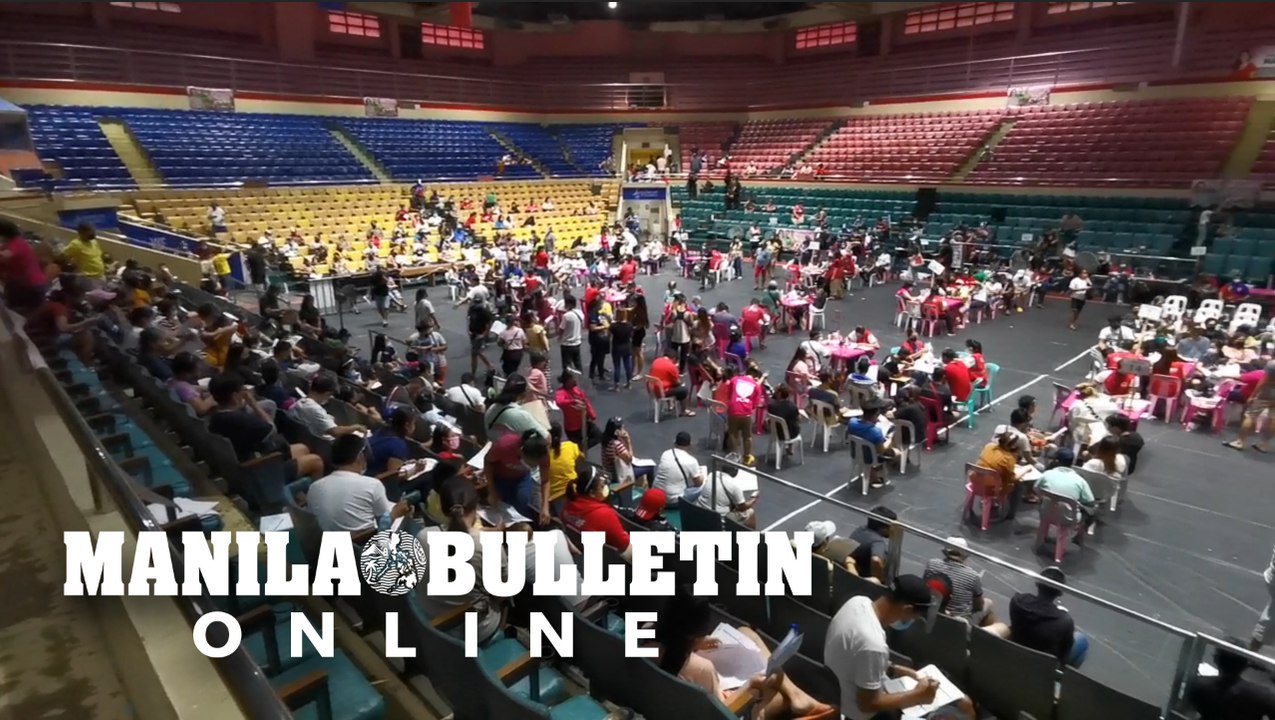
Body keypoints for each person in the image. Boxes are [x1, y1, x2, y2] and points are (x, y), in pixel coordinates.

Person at [658, 587, 836, 719]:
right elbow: (720, 713)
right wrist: (751, 684)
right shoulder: (702, 668)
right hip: (720, 707)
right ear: (692, 633)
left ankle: (793, 693)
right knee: (776, 696)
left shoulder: (649, 636)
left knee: (746, 631)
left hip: (679, 694)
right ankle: (791, 697)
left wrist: (696, 644)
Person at [825, 575, 974, 720]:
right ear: (907, 609)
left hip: (835, 694)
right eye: (915, 617)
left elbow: (855, 656)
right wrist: (918, 696)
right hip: (859, 714)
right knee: (965, 707)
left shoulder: (856, 602)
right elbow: (868, 705)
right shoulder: (873, 644)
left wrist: (893, 669)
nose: (913, 620)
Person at [206, 373, 324, 488]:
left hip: (247, 460)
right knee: (316, 461)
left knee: (302, 448)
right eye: (242, 390)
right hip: (258, 470)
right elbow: (272, 428)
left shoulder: (215, 416)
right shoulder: (242, 420)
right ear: (235, 396)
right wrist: (253, 403)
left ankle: (294, 493)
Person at [306, 434, 410, 533]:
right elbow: (383, 524)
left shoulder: (314, 487)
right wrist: (396, 513)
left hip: (328, 543)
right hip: (362, 542)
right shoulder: (372, 485)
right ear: (359, 457)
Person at [1000, 566, 1090, 668]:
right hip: (1040, 666)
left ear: (1037, 583)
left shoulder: (1017, 600)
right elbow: (1064, 653)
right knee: (1081, 639)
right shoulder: (1065, 621)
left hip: (1016, 653)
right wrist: (1062, 615)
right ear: (1060, 593)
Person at [1188, 638, 1275, 720]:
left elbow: (1190, 710)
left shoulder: (1198, 685)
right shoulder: (1263, 695)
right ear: (1245, 664)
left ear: (1215, 659)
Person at [560, 463, 631, 558]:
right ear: (592, 493)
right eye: (602, 486)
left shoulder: (568, 504)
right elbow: (623, 544)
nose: (605, 487)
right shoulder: (605, 514)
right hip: (611, 557)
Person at [484, 427, 552, 524]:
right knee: (497, 505)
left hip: (522, 478)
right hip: (499, 476)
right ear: (521, 451)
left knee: (524, 504)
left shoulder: (543, 454)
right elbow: (488, 461)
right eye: (530, 463)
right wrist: (491, 490)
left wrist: (545, 506)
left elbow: (545, 480)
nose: (533, 466)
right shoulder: (503, 446)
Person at [923, 537, 995, 627]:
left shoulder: (931, 564)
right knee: (988, 603)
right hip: (957, 621)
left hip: (930, 610)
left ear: (945, 551)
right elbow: (978, 606)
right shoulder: (972, 576)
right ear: (965, 555)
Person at [1036, 448, 1098, 535]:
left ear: (1056, 461)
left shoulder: (1047, 474)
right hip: (1069, 518)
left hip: (1045, 513)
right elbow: (1090, 502)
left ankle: (1042, 536)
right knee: (1092, 512)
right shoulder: (1080, 481)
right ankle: (1079, 536)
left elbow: (1036, 488)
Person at [291, 373, 367, 439]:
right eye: (330, 395)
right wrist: (356, 427)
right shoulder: (314, 409)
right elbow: (335, 432)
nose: (331, 397)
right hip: (326, 443)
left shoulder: (300, 402)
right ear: (327, 393)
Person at [1225, 359, 1275, 453]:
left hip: (1265, 393)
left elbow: (1263, 380)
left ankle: (1240, 442)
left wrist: (1253, 395)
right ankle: (1264, 445)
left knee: (1251, 416)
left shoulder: (1272, 364)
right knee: (1273, 419)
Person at [0, 219, 48, 312]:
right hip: (27, 286)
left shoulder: (16, 243)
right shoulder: (12, 243)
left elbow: (6, 255)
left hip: (29, 288)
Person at [974, 430, 1023, 519]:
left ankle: (991, 502)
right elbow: (1011, 479)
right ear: (1013, 446)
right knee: (1018, 486)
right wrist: (1025, 471)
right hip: (992, 489)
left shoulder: (989, 446)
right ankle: (1011, 514)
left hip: (975, 480)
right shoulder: (1008, 459)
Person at [485, 373, 549, 439]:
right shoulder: (521, 415)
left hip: (494, 443)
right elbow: (547, 438)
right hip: (514, 445)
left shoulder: (491, 408)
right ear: (523, 393)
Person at [847, 402, 895, 488]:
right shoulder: (876, 432)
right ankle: (875, 476)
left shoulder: (851, 422)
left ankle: (872, 473)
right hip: (870, 458)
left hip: (855, 454)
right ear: (875, 415)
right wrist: (890, 439)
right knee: (895, 453)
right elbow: (881, 450)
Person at [724, 365, 764, 466]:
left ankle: (734, 455)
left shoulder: (734, 379)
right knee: (747, 437)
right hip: (746, 413)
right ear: (756, 377)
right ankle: (747, 457)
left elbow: (729, 395)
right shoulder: (756, 386)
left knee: (733, 434)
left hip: (733, 411)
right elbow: (755, 404)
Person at [653, 431, 705, 504]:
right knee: (703, 487)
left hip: (656, 496)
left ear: (674, 442)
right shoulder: (691, 460)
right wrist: (702, 474)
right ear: (690, 445)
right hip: (673, 500)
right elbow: (698, 483)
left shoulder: (665, 453)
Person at [848, 506, 897, 581]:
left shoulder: (860, 529)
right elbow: (876, 560)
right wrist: (878, 580)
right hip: (863, 577)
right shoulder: (878, 542)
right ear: (883, 528)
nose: (893, 530)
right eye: (891, 527)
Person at [555, 370, 601, 448]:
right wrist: (573, 401)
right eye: (573, 378)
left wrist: (592, 414)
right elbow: (559, 402)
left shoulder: (577, 390)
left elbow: (586, 401)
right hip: (572, 428)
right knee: (575, 447)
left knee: (598, 436)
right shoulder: (561, 392)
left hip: (584, 422)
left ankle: (582, 449)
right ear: (568, 381)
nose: (576, 380)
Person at [600, 417, 652, 486]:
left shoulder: (605, 440)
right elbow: (629, 459)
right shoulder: (617, 445)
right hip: (618, 474)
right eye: (622, 428)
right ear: (616, 432)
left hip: (608, 470)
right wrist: (628, 441)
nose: (624, 429)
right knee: (650, 467)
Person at [649, 347, 696, 417]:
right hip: (662, 391)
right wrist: (676, 369)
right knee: (683, 390)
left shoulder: (656, 361)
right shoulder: (671, 366)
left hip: (652, 389)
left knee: (671, 385)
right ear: (673, 358)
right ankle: (683, 411)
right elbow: (678, 382)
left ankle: (670, 405)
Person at [467, 297, 495, 376]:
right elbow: (469, 319)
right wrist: (468, 329)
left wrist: (485, 334)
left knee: (474, 353)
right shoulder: (472, 309)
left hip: (479, 334)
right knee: (477, 352)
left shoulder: (484, 311)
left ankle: (473, 373)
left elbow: (489, 323)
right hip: (472, 333)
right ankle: (490, 365)